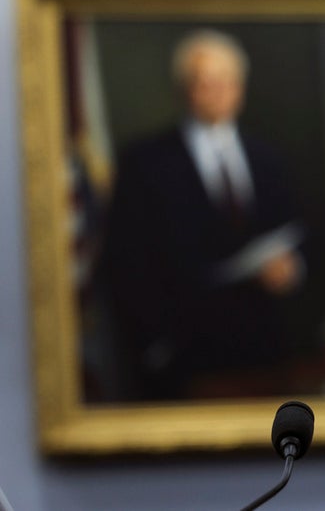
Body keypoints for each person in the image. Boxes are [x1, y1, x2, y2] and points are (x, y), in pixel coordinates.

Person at [95, 29, 305, 400]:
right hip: (184, 355)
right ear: (184, 89)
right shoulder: (145, 162)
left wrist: (290, 270)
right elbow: (124, 260)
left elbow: (297, 235)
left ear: (240, 87)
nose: (217, 92)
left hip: (265, 352)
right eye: (204, 83)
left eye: (226, 81)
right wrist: (157, 349)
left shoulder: (268, 157)